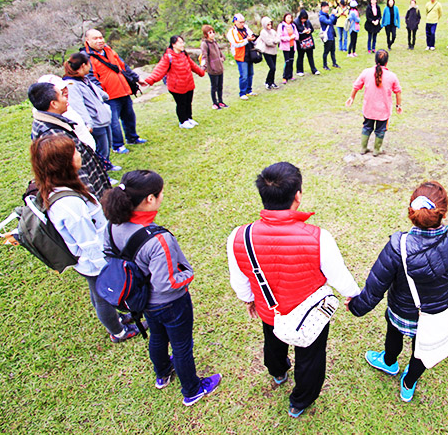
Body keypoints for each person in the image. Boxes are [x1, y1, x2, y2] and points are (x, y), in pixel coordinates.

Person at [227, 162, 360, 418]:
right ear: (297, 195)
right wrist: (353, 294)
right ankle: (300, 401)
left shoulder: (239, 236)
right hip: (310, 315)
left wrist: (248, 299)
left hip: (270, 309)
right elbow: (339, 276)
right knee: (311, 357)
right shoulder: (319, 237)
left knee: (273, 340)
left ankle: (277, 372)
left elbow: (239, 279)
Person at [102, 170, 222, 405]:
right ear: (149, 199)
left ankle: (163, 374)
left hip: (141, 299)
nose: (162, 196)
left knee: (156, 335)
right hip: (170, 303)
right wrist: (189, 275)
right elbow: (167, 283)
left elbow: (109, 255)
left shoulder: (112, 225)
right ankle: (192, 390)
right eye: (160, 193)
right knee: (181, 345)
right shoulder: (158, 239)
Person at [348, 181, 448, 402]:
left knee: (393, 333)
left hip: (401, 311)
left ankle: (389, 362)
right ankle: (408, 383)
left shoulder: (398, 245)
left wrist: (355, 307)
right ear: (442, 212)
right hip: (434, 315)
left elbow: (375, 288)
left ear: (412, 211)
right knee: (422, 350)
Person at [30, 134, 139, 343]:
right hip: (93, 261)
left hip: (87, 260)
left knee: (97, 293)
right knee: (104, 296)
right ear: (65, 163)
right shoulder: (70, 205)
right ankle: (118, 332)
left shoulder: (59, 186)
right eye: (75, 152)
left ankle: (116, 319)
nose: (79, 154)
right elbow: (87, 241)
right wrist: (105, 266)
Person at [29, 81, 111, 198]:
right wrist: (92, 200)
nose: (66, 97)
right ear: (54, 104)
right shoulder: (54, 136)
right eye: (62, 95)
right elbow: (75, 173)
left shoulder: (46, 122)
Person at [83, 29, 146, 154]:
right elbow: (92, 78)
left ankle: (132, 137)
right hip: (109, 95)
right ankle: (117, 145)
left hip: (123, 90)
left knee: (129, 116)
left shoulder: (109, 50)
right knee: (114, 122)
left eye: (101, 37)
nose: (100, 40)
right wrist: (101, 94)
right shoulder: (87, 57)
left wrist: (137, 79)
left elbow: (123, 67)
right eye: (95, 38)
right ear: (87, 40)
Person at [63, 52, 118, 172]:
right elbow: (78, 105)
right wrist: (88, 123)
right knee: (99, 149)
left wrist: (105, 96)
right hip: (94, 122)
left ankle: (107, 165)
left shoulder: (84, 79)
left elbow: (100, 94)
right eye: (89, 65)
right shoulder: (72, 84)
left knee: (106, 146)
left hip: (102, 119)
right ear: (83, 65)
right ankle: (102, 172)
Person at [345, 49, 402, 156]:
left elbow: (356, 86)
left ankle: (363, 148)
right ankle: (376, 150)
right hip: (383, 111)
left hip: (368, 109)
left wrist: (351, 97)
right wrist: (398, 105)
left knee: (367, 127)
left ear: (375, 60)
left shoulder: (366, 72)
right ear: (387, 62)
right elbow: (398, 92)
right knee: (381, 130)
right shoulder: (392, 76)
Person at [142, 35, 206, 130]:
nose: (182, 44)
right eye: (180, 42)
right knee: (181, 104)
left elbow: (192, 65)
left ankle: (189, 118)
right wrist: (148, 81)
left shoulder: (184, 54)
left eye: (183, 42)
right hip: (177, 86)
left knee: (188, 102)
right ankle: (183, 121)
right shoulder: (168, 57)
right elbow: (159, 70)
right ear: (173, 44)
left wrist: (201, 72)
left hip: (188, 84)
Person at [226, 14, 257, 101]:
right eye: (240, 22)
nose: (242, 24)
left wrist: (253, 38)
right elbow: (236, 43)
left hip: (249, 54)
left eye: (243, 22)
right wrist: (247, 40)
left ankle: (249, 90)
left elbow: (252, 36)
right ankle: (242, 92)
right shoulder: (232, 32)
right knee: (244, 75)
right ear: (235, 22)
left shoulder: (246, 28)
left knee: (250, 73)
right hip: (240, 55)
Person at [200, 25, 227, 109]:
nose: (212, 34)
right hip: (212, 69)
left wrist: (222, 58)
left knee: (220, 86)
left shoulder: (214, 42)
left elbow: (219, 52)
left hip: (219, 68)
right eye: (210, 33)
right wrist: (205, 67)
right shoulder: (205, 44)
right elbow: (204, 56)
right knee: (214, 86)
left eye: (213, 32)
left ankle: (221, 101)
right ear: (205, 34)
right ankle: (215, 103)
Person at [257, 16, 281, 89]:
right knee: (272, 67)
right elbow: (268, 42)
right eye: (268, 24)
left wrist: (274, 41)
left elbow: (278, 38)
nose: (269, 26)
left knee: (274, 68)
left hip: (274, 51)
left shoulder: (273, 31)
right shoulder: (263, 32)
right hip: (267, 52)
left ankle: (272, 82)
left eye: (270, 24)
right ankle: (267, 82)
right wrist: (274, 41)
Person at [294, 10, 319, 76]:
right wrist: (302, 32)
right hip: (301, 42)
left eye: (305, 19)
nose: (304, 20)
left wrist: (309, 30)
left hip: (308, 41)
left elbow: (312, 29)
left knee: (310, 56)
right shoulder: (295, 22)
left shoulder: (307, 21)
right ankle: (299, 70)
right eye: (303, 19)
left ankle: (314, 69)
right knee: (300, 56)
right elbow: (295, 33)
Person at [278, 13, 299, 84]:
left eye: (290, 18)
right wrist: (289, 38)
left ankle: (290, 75)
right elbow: (280, 37)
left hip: (292, 46)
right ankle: (284, 77)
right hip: (285, 46)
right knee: (287, 61)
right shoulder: (281, 26)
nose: (289, 19)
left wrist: (294, 37)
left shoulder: (293, 25)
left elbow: (297, 35)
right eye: (287, 18)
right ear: (284, 18)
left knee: (291, 60)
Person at [319, 2, 339, 70]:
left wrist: (335, 16)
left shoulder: (327, 15)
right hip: (327, 36)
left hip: (332, 35)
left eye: (328, 7)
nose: (328, 9)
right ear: (322, 8)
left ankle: (334, 63)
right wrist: (333, 15)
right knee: (326, 51)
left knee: (333, 50)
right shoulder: (322, 17)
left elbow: (333, 22)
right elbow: (329, 22)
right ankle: (325, 65)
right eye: (326, 7)